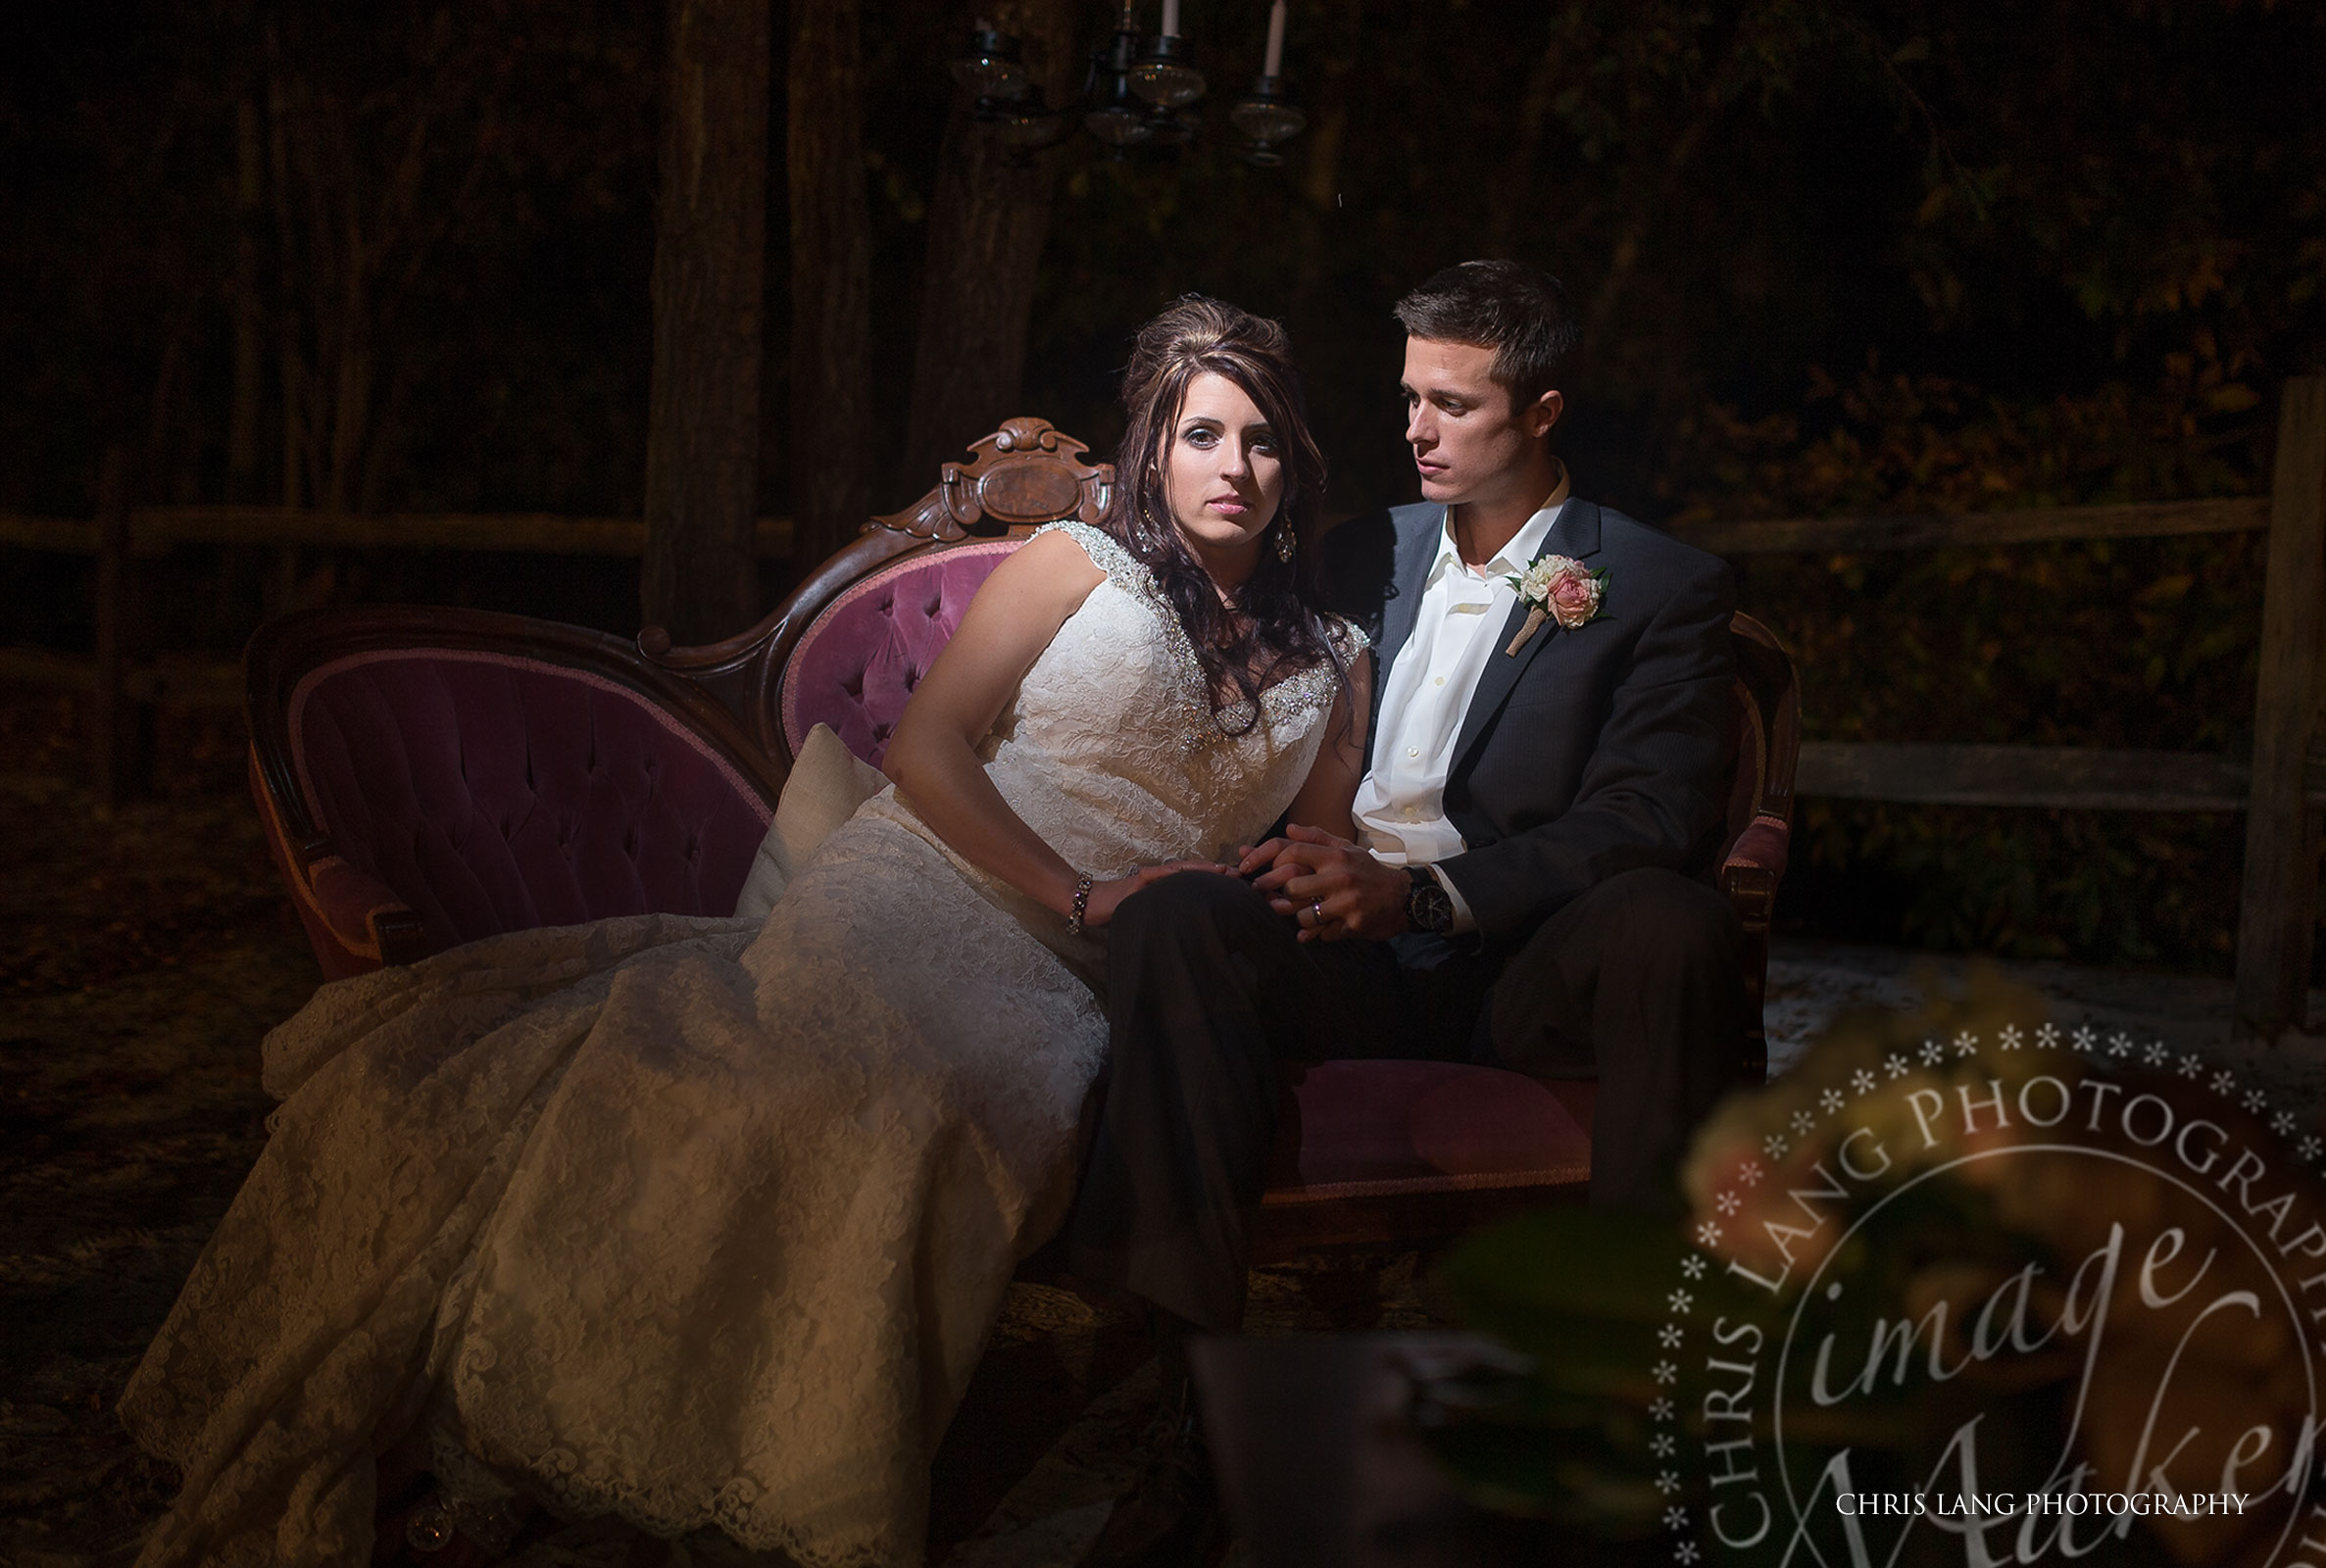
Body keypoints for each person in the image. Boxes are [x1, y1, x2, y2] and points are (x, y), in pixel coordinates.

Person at [116, 296, 1370, 1568]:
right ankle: (515, 1426)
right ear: (1154, 447)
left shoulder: (1333, 661)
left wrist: (1297, 897)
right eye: (1204, 434)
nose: (1236, 468)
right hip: (931, 886)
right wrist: (1080, 892)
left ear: (1296, 461)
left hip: (1092, 980)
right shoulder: (1075, 564)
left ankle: (781, 1473)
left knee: (921, 1118)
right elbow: (929, 747)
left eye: (1263, 441)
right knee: (750, 1074)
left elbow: (1309, 867)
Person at [1065, 260, 1748, 1566]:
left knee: (1675, 920)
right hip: (1337, 944)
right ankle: (1194, 1425)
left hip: (1517, 957)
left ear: (1542, 411)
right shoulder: (1356, 547)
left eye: (1456, 402)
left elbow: (1642, 821)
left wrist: (1430, 890)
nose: (1418, 429)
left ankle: (1638, 1419)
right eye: (1408, 398)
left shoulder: (1658, 586)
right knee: (1174, 925)